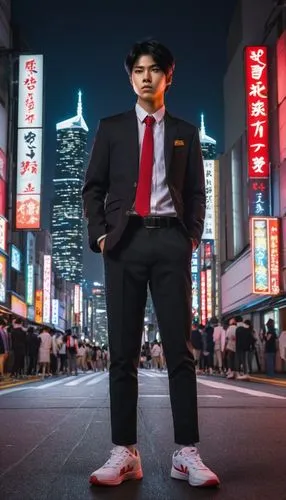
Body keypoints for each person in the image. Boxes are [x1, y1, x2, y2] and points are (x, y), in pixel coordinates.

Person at [82, 39, 219, 489]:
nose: (146, 76)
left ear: (168, 76)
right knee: (121, 354)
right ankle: (125, 452)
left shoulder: (184, 131)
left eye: (154, 69)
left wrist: (192, 236)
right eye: (138, 69)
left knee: (179, 352)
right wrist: (101, 235)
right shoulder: (112, 128)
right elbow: (93, 188)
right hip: (124, 243)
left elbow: (198, 191)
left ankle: (187, 453)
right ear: (130, 77)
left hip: (170, 243)